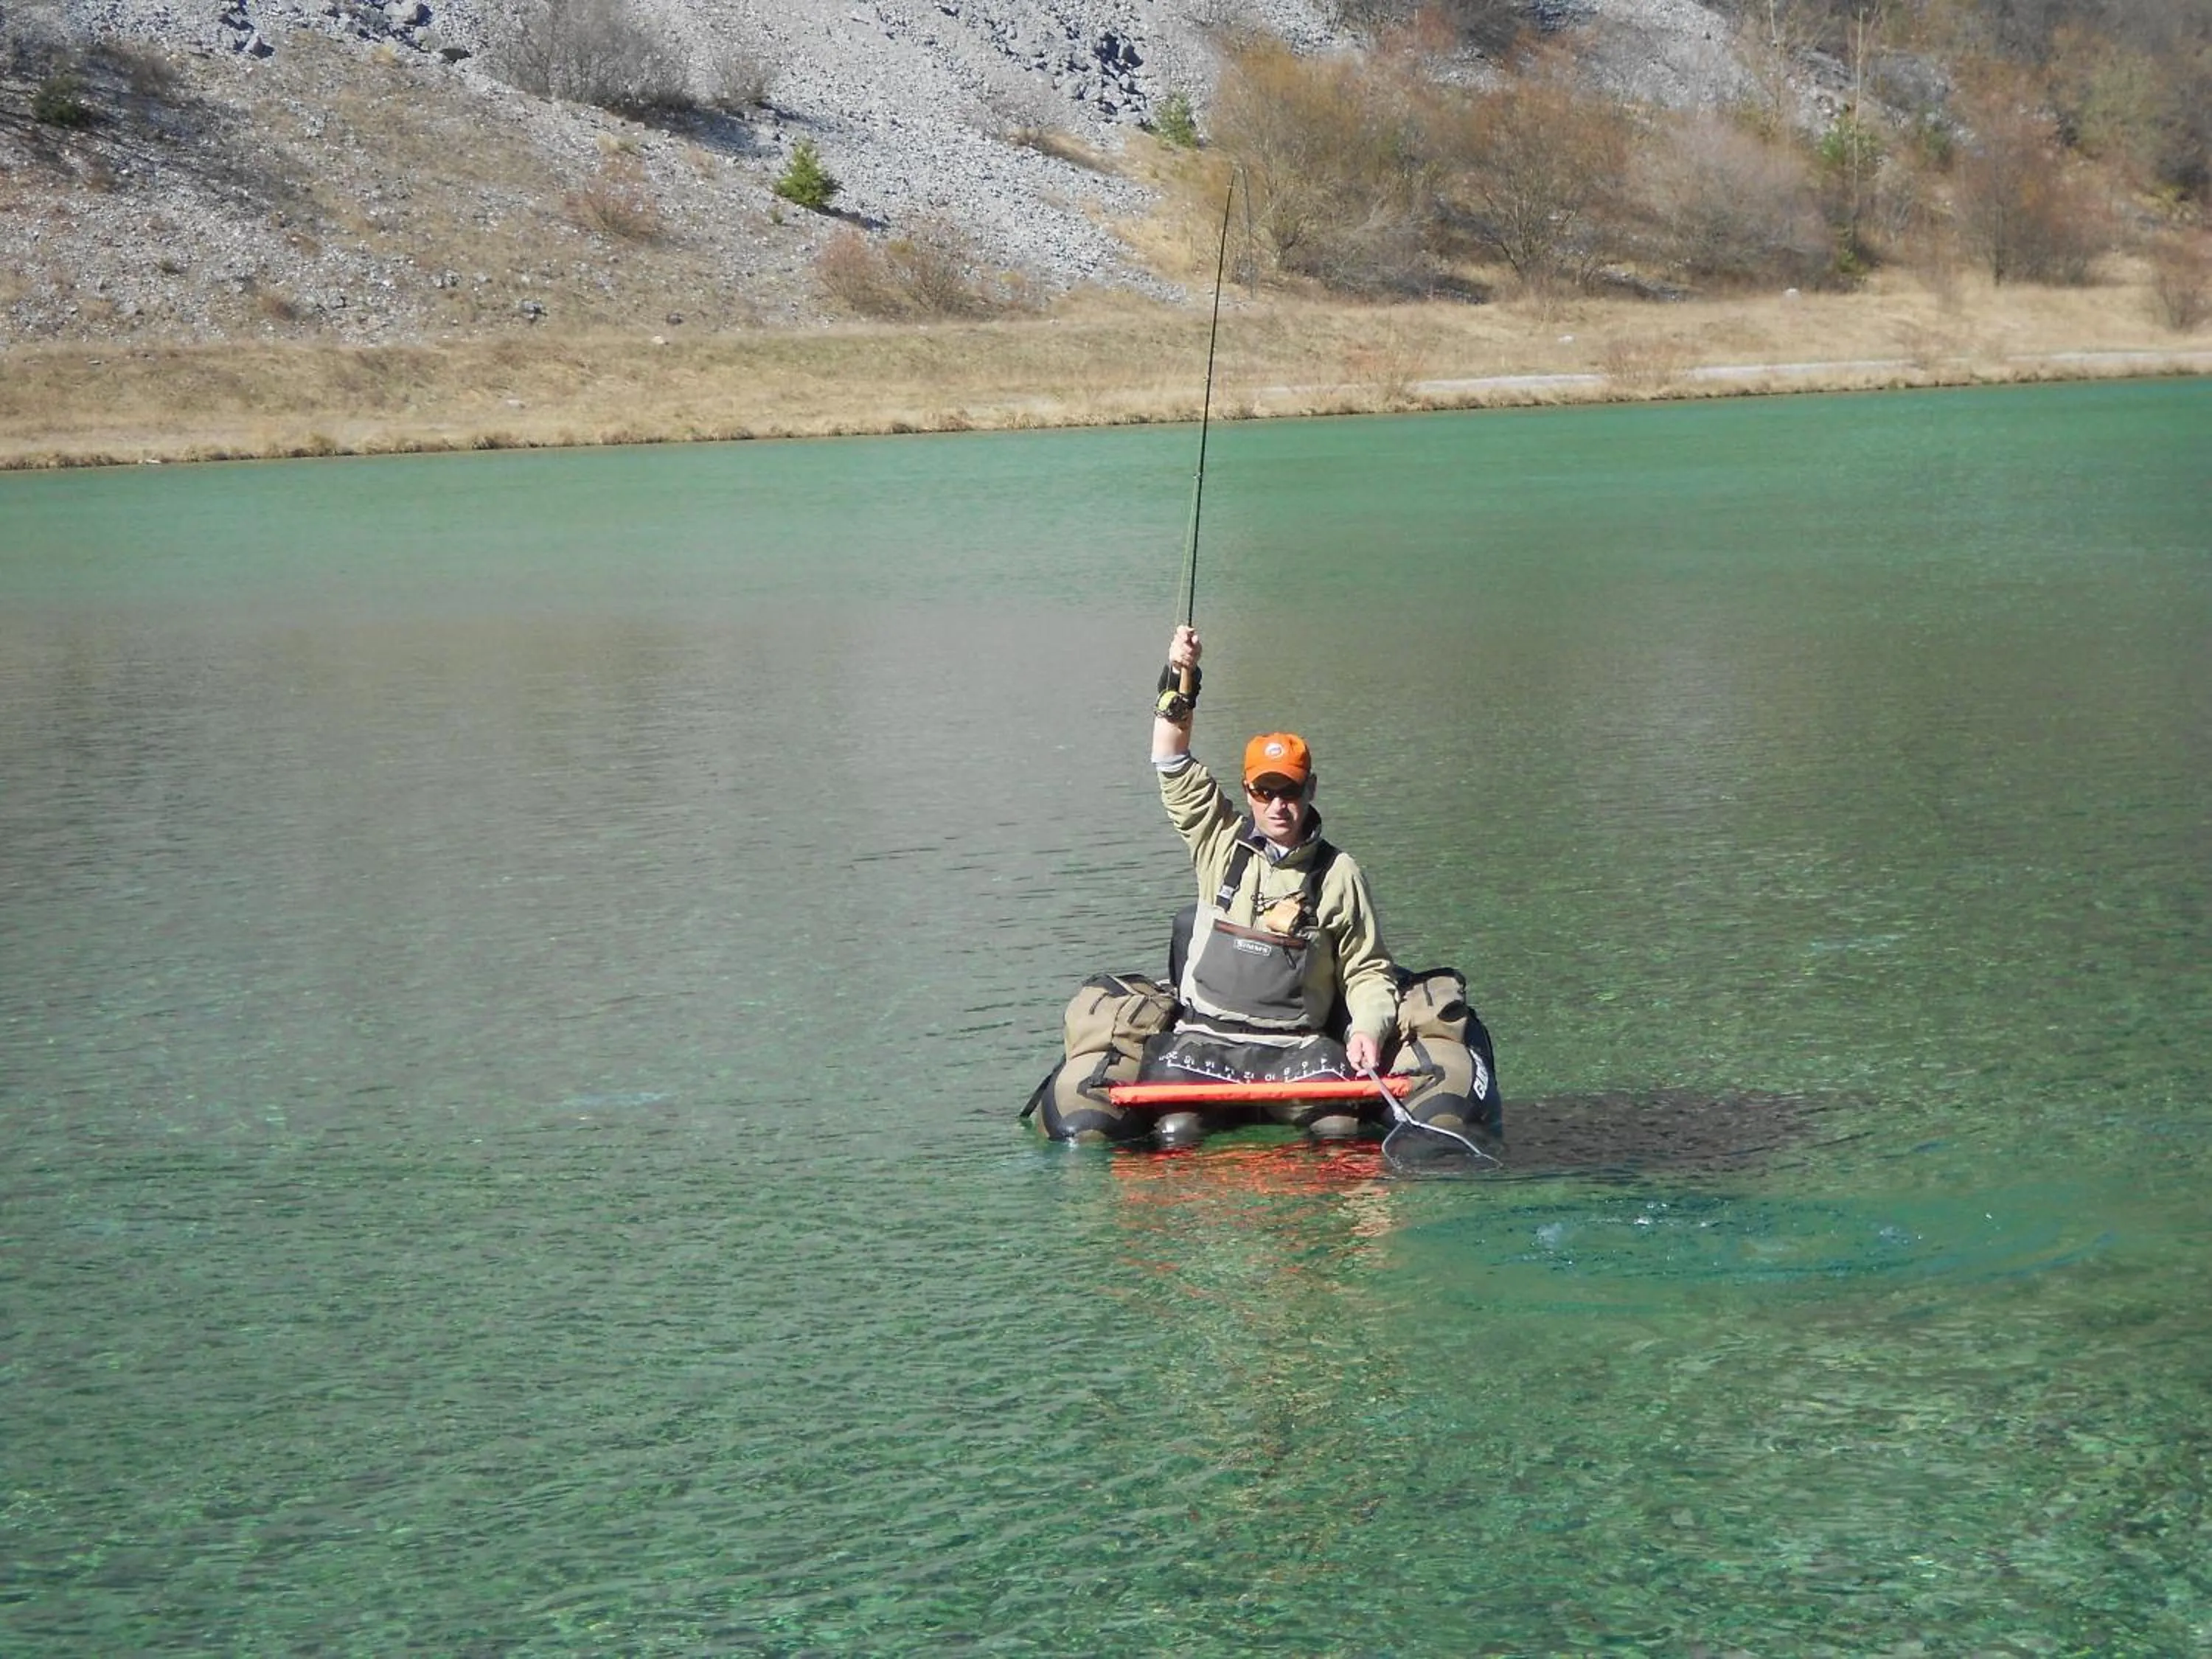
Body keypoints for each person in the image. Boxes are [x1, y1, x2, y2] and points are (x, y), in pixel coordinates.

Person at [1143, 622, 1397, 1142]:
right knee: (1174, 1130)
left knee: (1339, 1130)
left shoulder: (1340, 873)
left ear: (1310, 789)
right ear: (1248, 791)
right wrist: (1180, 674)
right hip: (1206, 1042)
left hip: (1297, 1047)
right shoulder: (1218, 839)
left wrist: (1369, 1030)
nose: (1279, 805)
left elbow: (1367, 971)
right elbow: (1170, 757)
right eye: (1265, 791)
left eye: (1291, 791)